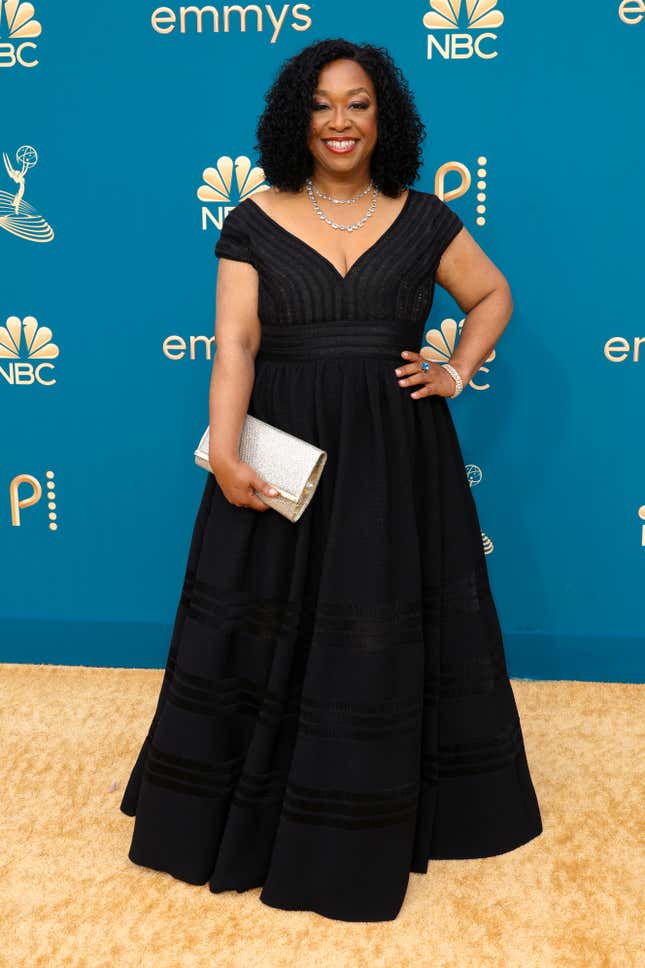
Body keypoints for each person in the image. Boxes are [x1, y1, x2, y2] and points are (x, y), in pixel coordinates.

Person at [120, 37, 543, 923]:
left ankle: (379, 814)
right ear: (294, 119)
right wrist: (227, 453)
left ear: (382, 116)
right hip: (283, 449)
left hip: (397, 455)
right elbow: (235, 342)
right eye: (321, 104)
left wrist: (456, 369)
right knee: (268, 620)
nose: (339, 121)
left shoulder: (425, 218)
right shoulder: (254, 216)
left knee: (378, 624)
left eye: (357, 103)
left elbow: (492, 295)